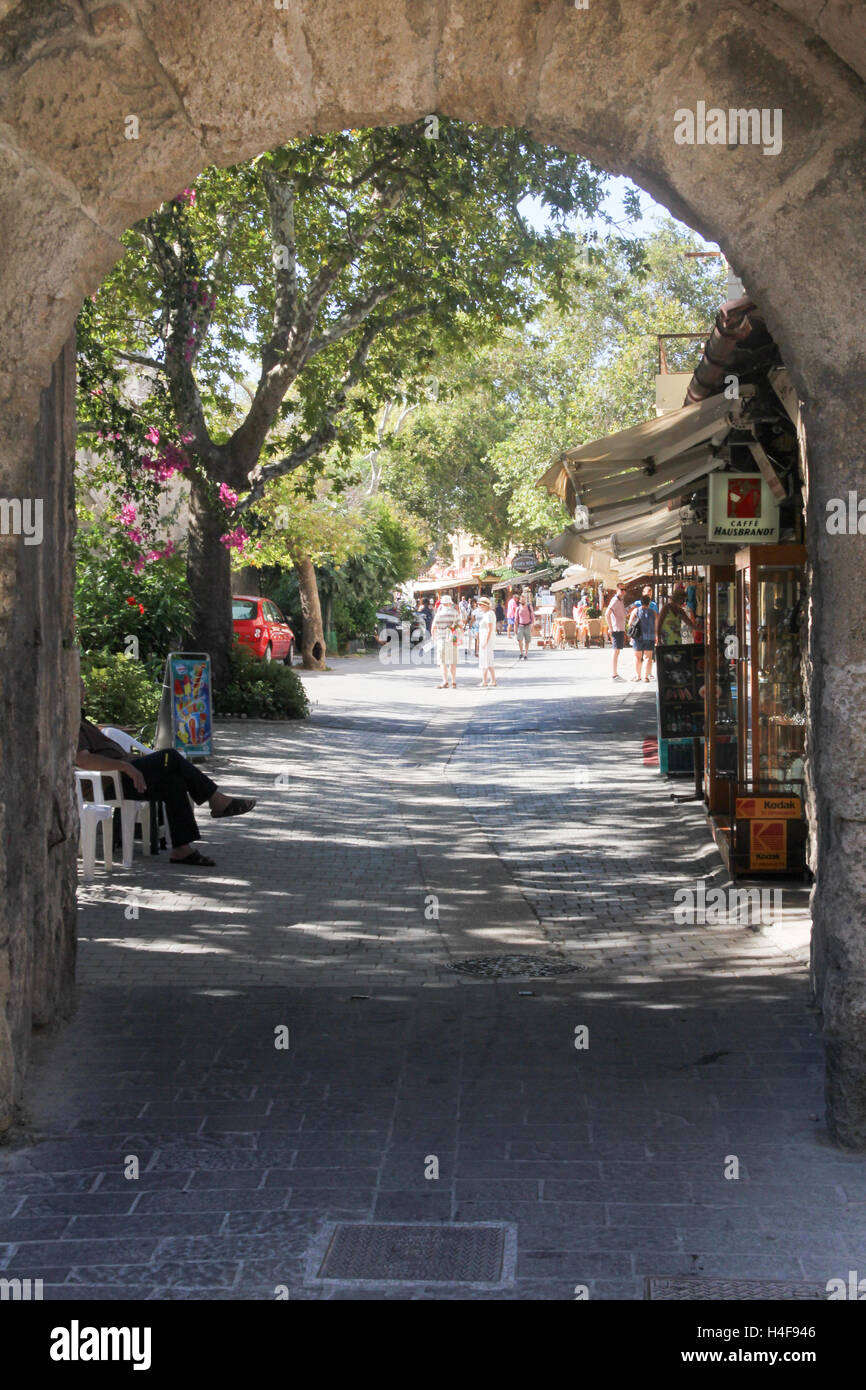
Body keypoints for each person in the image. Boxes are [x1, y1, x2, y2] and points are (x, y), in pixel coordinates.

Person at [75, 680, 255, 868]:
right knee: (170, 757)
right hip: (111, 781)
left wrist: (126, 764)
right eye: (77, 689)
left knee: (174, 781)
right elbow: (84, 760)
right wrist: (123, 766)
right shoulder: (69, 723)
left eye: (82, 689)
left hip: (126, 771)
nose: (82, 694)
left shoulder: (82, 720)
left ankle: (181, 849)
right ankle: (216, 799)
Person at [431, 591, 461, 688]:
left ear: (442, 604)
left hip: (442, 639)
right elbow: (460, 625)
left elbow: (433, 628)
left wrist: (433, 637)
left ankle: (445, 681)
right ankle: (453, 681)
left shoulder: (438, 614)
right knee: (452, 662)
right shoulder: (455, 613)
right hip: (453, 640)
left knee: (442, 662)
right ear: (449, 603)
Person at [628, 593, 657, 681]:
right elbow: (656, 625)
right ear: (649, 603)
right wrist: (656, 635)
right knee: (648, 657)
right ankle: (646, 677)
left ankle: (638, 676)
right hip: (650, 636)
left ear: (641, 602)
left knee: (637, 657)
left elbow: (630, 624)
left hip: (638, 636)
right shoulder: (653, 612)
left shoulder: (636, 611)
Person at [604, 582, 627, 681]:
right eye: (621, 590)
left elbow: (622, 613)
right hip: (616, 629)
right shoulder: (615, 600)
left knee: (617, 651)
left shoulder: (620, 600)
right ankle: (614, 674)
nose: (623, 592)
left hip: (620, 628)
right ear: (617, 590)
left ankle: (615, 673)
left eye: (625, 590)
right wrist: (611, 628)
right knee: (616, 651)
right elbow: (607, 614)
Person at [476, 596, 497, 687]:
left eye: (480, 605)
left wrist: (485, 641)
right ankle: (492, 680)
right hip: (485, 638)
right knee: (488, 660)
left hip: (486, 639)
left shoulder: (489, 614)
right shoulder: (488, 613)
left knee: (485, 660)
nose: (479, 606)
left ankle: (485, 680)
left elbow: (490, 628)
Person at [515, 589, 534, 661]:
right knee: (519, 640)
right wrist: (515, 628)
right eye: (521, 600)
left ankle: (526, 653)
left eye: (524, 600)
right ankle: (521, 652)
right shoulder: (518, 608)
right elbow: (516, 619)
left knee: (527, 640)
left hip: (528, 625)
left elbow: (532, 617)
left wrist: (532, 625)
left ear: (526, 600)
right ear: (519, 601)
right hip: (520, 625)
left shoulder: (529, 607)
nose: (522, 601)